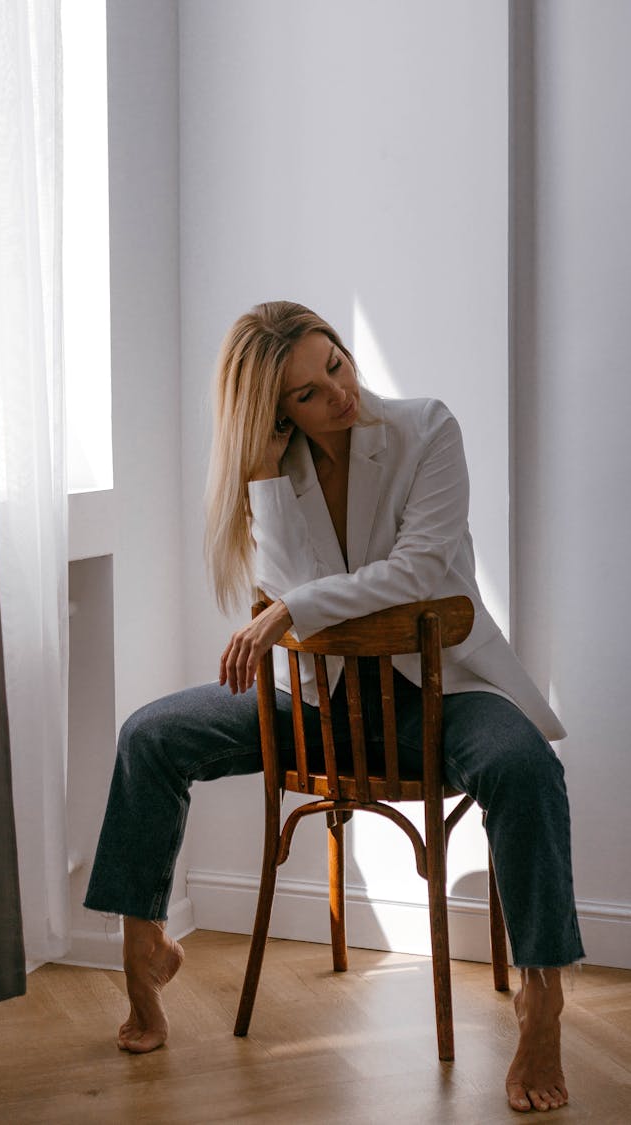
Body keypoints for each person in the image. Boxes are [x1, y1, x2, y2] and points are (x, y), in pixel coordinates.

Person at [84, 300, 584, 1113]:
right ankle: (144, 952)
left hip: (441, 692)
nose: (340, 394)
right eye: (308, 392)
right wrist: (265, 484)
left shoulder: (427, 430)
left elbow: (420, 570)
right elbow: (282, 579)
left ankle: (543, 995)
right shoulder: (274, 471)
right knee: (149, 735)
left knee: (527, 765)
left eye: (336, 365)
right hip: (320, 704)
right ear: (275, 413)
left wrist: (288, 612)